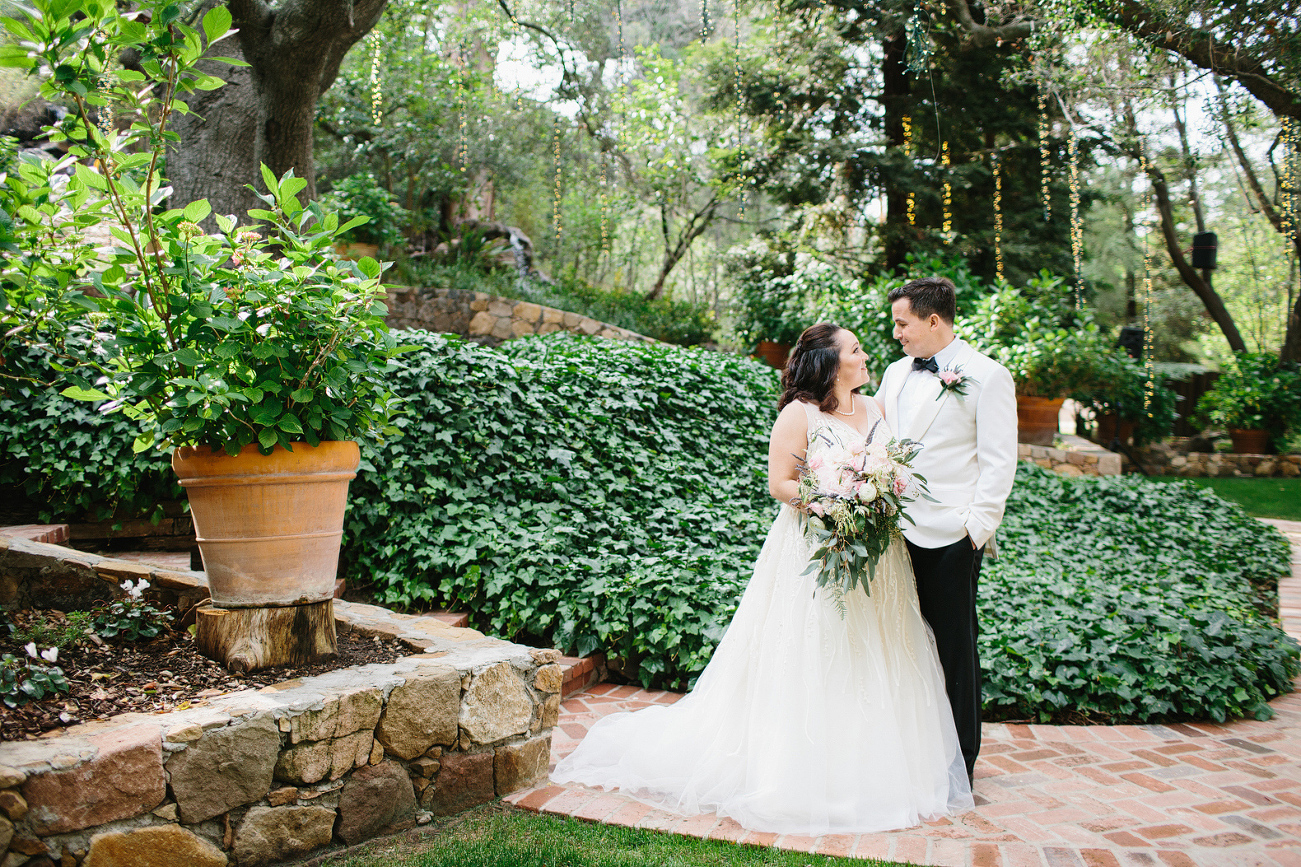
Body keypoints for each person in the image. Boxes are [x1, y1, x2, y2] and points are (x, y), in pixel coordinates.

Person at [551, 322, 973, 835]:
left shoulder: (876, 409)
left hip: (877, 557)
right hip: (815, 546)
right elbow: (781, 483)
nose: (866, 357)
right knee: (818, 648)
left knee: (877, 649)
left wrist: (878, 499)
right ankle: (805, 772)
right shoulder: (798, 415)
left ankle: (879, 765)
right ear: (829, 364)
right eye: (856, 351)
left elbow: (889, 470)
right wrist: (834, 506)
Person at [875, 276, 1018, 786]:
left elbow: (1000, 462)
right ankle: (909, 753)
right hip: (892, 532)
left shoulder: (989, 375)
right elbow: (881, 441)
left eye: (903, 323)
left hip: (951, 536)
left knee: (955, 645)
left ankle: (962, 762)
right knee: (900, 642)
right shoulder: (894, 374)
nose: (897, 334)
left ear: (933, 321)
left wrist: (974, 530)